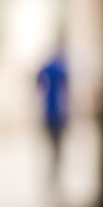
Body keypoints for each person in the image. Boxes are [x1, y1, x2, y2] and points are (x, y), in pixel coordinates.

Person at [37, 42, 70, 184]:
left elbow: (38, 82)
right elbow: (67, 89)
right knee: (58, 146)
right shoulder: (61, 68)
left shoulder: (46, 67)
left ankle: (52, 174)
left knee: (51, 145)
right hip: (59, 112)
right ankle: (55, 174)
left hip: (47, 111)